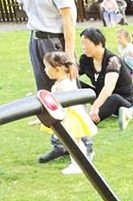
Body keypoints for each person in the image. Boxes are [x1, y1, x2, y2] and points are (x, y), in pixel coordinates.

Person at [21, 0, 88, 163]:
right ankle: (60, 144)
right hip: (36, 39)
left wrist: (69, 55)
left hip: (54, 41)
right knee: (46, 96)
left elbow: (68, 17)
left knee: (68, 93)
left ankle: (84, 144)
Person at [41, 52, 98, 175]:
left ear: (57, 69)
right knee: (74, 142)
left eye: (47, 67)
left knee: (74, 143)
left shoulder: (64, 85)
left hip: (72, 118)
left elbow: (60, 105)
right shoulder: (62, 83)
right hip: (70, 117)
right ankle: (80, 163)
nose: (45, 70)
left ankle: (79, 165)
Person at [78, 27, 133, 124]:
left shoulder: (112, 60)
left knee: (114, 98)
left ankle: (88, 122)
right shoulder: (85, 59)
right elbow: (72, 75)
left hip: (123, 102)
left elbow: (108, 88)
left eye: (86, 44)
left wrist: (95, 107)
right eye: (82, 44)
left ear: (99, 44)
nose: (84, 47)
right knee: (76, 83)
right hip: (103, 98)